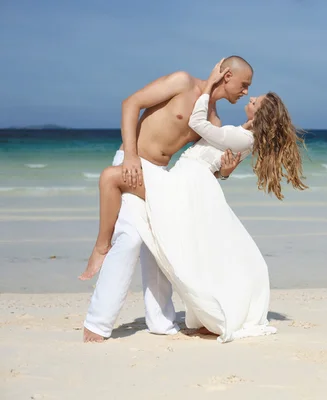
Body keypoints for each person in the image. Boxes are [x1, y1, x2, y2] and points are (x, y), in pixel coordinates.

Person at [90, 59, 308, 342]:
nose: (245, 93)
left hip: (161, 176)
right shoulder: (182, 83)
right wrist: (130, 155)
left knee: (159, 249)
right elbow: (130, 103)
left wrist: (224, 172)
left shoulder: (214, 120)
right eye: (244, 85)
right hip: (133, 162)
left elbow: (199, 167)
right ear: (227, 76)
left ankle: (162, 323)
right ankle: (97, 324)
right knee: (131, 238)